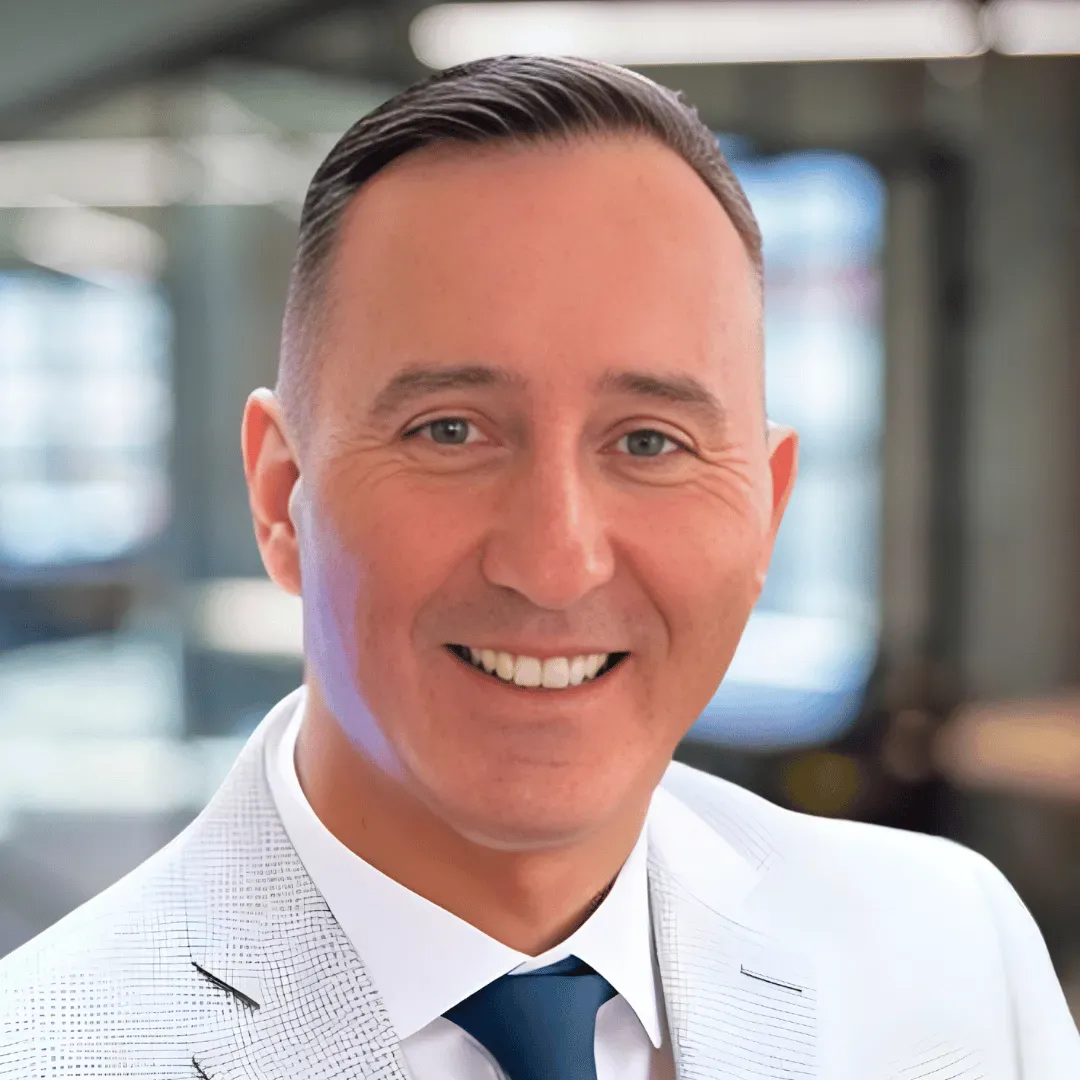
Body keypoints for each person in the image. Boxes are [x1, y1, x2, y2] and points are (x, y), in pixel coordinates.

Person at [0, 55, 1076, 1080]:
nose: (555, 564)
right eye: (451, 432)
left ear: (769, 514)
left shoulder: (954, 958)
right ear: (285, 497)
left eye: (650, 442)